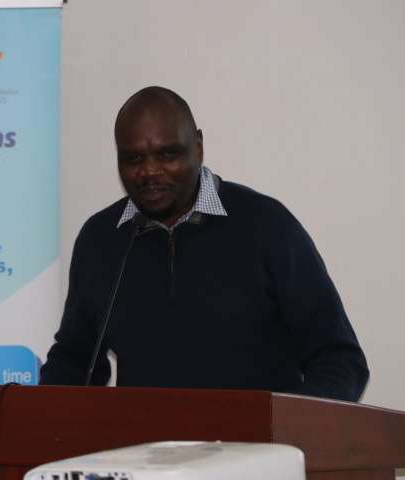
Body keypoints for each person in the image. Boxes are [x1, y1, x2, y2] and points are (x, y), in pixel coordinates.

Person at [39, 86, 369, 402]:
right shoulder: (100, 240)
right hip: (143, 442)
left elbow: (338, 358)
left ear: (198, 146)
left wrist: (291, 427)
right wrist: (36, 417)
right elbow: (75, 362)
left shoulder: (266, 228)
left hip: (256, 441)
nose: (149, 171)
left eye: (168, 154)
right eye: (133, 158)